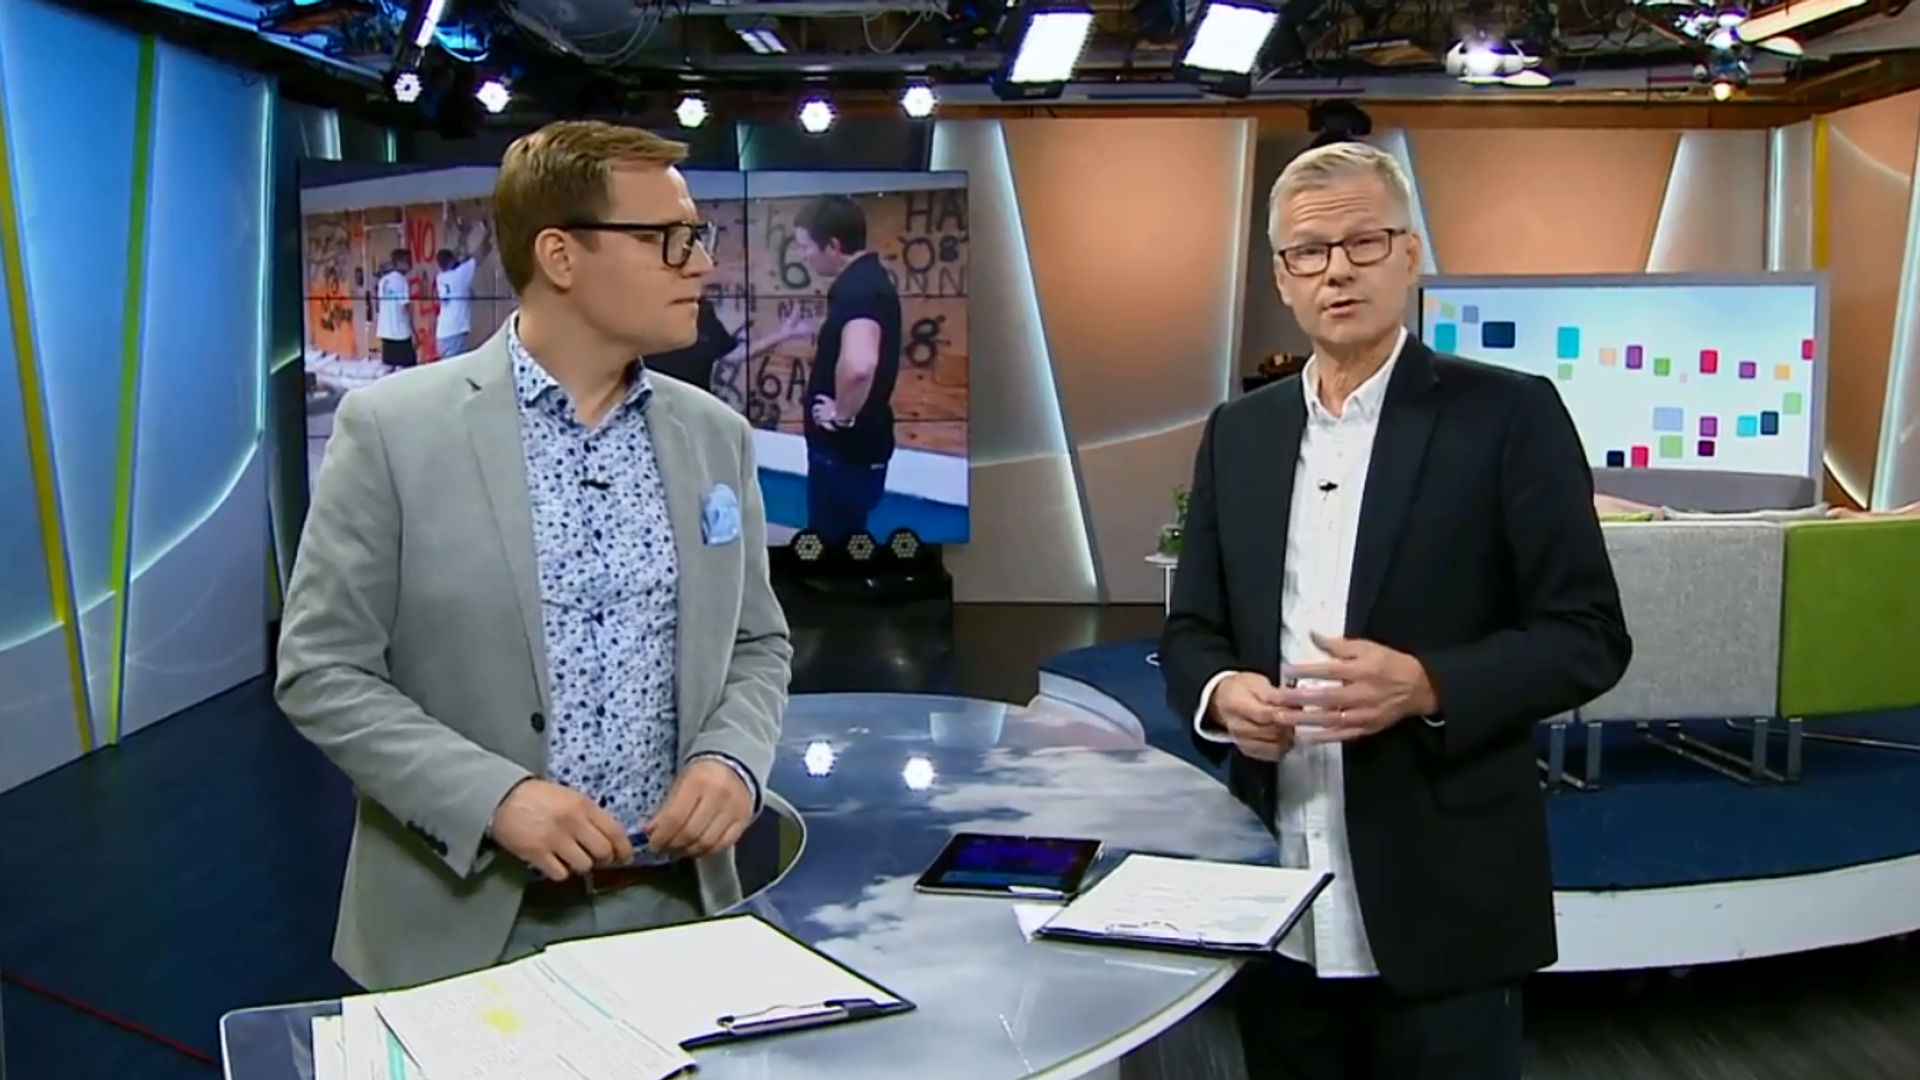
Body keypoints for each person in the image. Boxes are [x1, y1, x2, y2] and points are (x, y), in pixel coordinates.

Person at [276, 121, 792, 992]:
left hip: (676, 917)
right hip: (465, 931)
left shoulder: (716, 437)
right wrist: (493, 798)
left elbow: (756, 643)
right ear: (560, 255)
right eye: (670, 239)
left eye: (698, 237)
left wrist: (732, 760)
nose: (702, 263)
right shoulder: (394, 430)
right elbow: (322, 670)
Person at [1159, 140, 1631, 1079]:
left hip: (1446, 903)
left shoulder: (1508, 415)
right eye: (1309, 251)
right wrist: (1220, 693)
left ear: (1410, 255)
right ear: (1283, 279)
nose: (1336, 269)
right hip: (1280, 902)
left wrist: (1427, 685)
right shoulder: (1239, 434)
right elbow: (1192, 628)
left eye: (1363, 242)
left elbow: (1588, 635)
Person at [791, 195, 902, 542]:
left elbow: (859, 365)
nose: (803, 255)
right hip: (855, 452)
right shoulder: (868, 281)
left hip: (842, 455)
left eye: (806, 246)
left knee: (831, 544)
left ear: (834, 245)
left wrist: (841, 415)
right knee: (850, 540)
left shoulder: (858, 290)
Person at [433, 218, 491, 358]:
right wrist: (487, 233)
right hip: (455, 330)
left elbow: (459, 256)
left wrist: (464, 234)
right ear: (452, 261)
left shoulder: (441, 276)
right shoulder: (459, 276)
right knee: (455, 366)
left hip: (443, 332)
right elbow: (478, 255)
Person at [375, 249, 416, 368]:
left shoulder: (383, 281)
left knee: (390, 370)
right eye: (407, 261)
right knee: (408, 370)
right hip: (401, 334)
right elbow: (406, 307)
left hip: (386, 333)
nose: (410, 264)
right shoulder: (401, 281)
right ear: (398, 262)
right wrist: (414, 333)